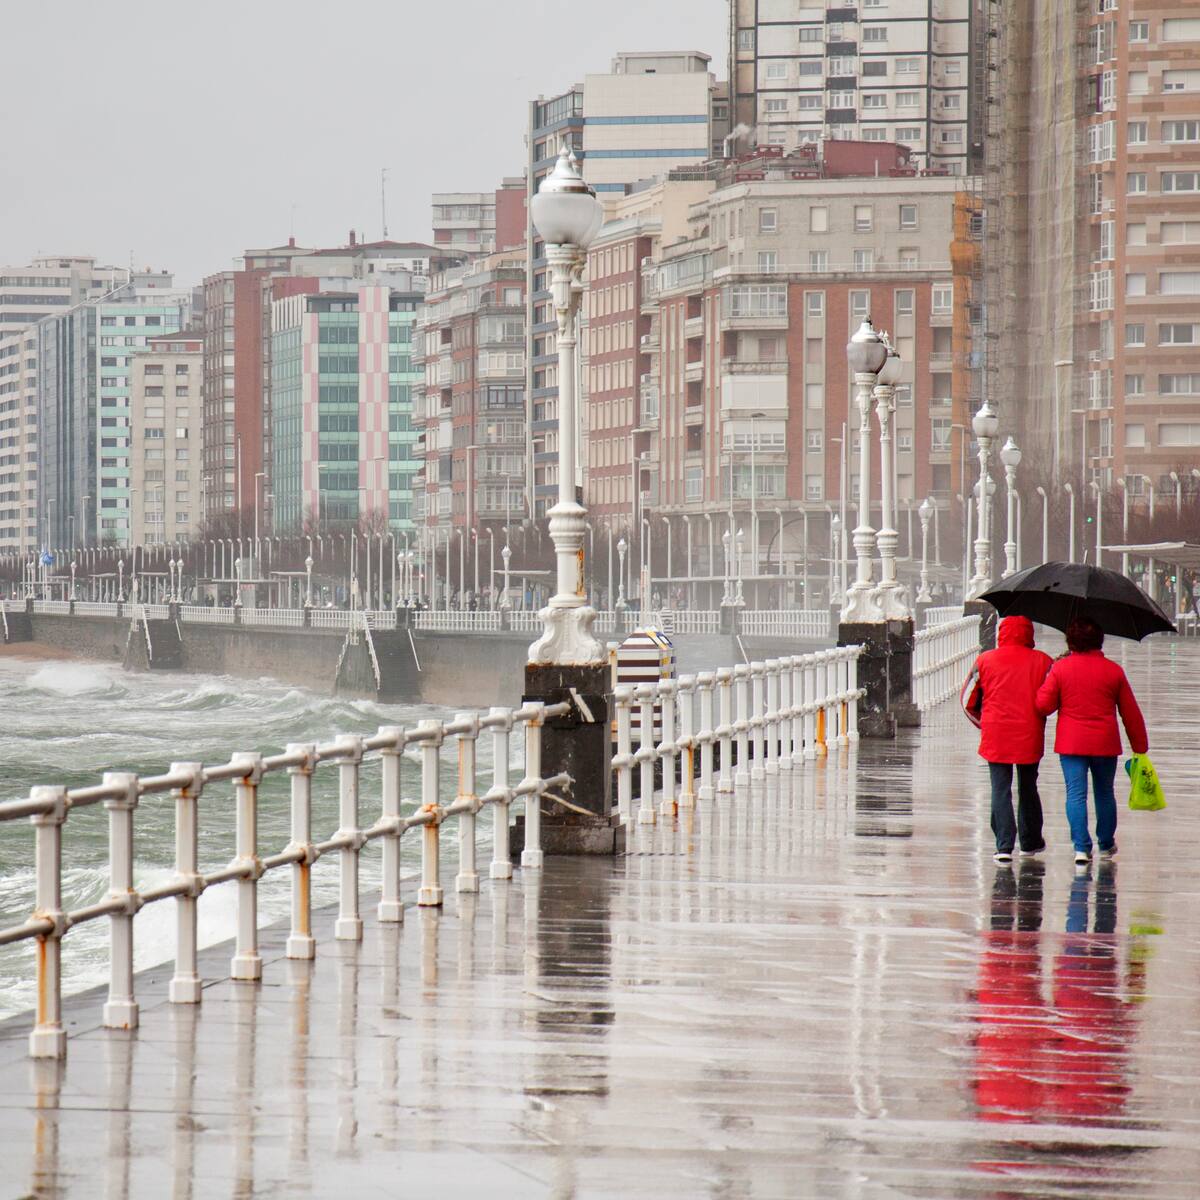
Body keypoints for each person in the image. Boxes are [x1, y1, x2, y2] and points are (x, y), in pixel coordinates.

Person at [1035, 616, 1148, 867]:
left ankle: (1081, 848)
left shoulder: (1061, 669)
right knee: (1105, 793)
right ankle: (1106, 843)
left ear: (1071, 641)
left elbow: (1043, 706)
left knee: (1075, 794)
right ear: (1099, 640)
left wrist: (1052, 674)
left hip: (1071, 743)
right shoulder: (1113, 671)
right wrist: (1140, 746)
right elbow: (1130, 713)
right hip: (1105, 743)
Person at [974, 615, 1054, 865]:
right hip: (1029, 731)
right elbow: (1049, 700)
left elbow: (969, 697)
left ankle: (1004, 845)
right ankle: (1029, 842)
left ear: (1002, 633)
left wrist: (984, 721)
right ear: (1029, 634)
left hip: (996, 732)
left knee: (1000, 788)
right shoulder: (1043, 661)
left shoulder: (985, 660)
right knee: (1028, 787)